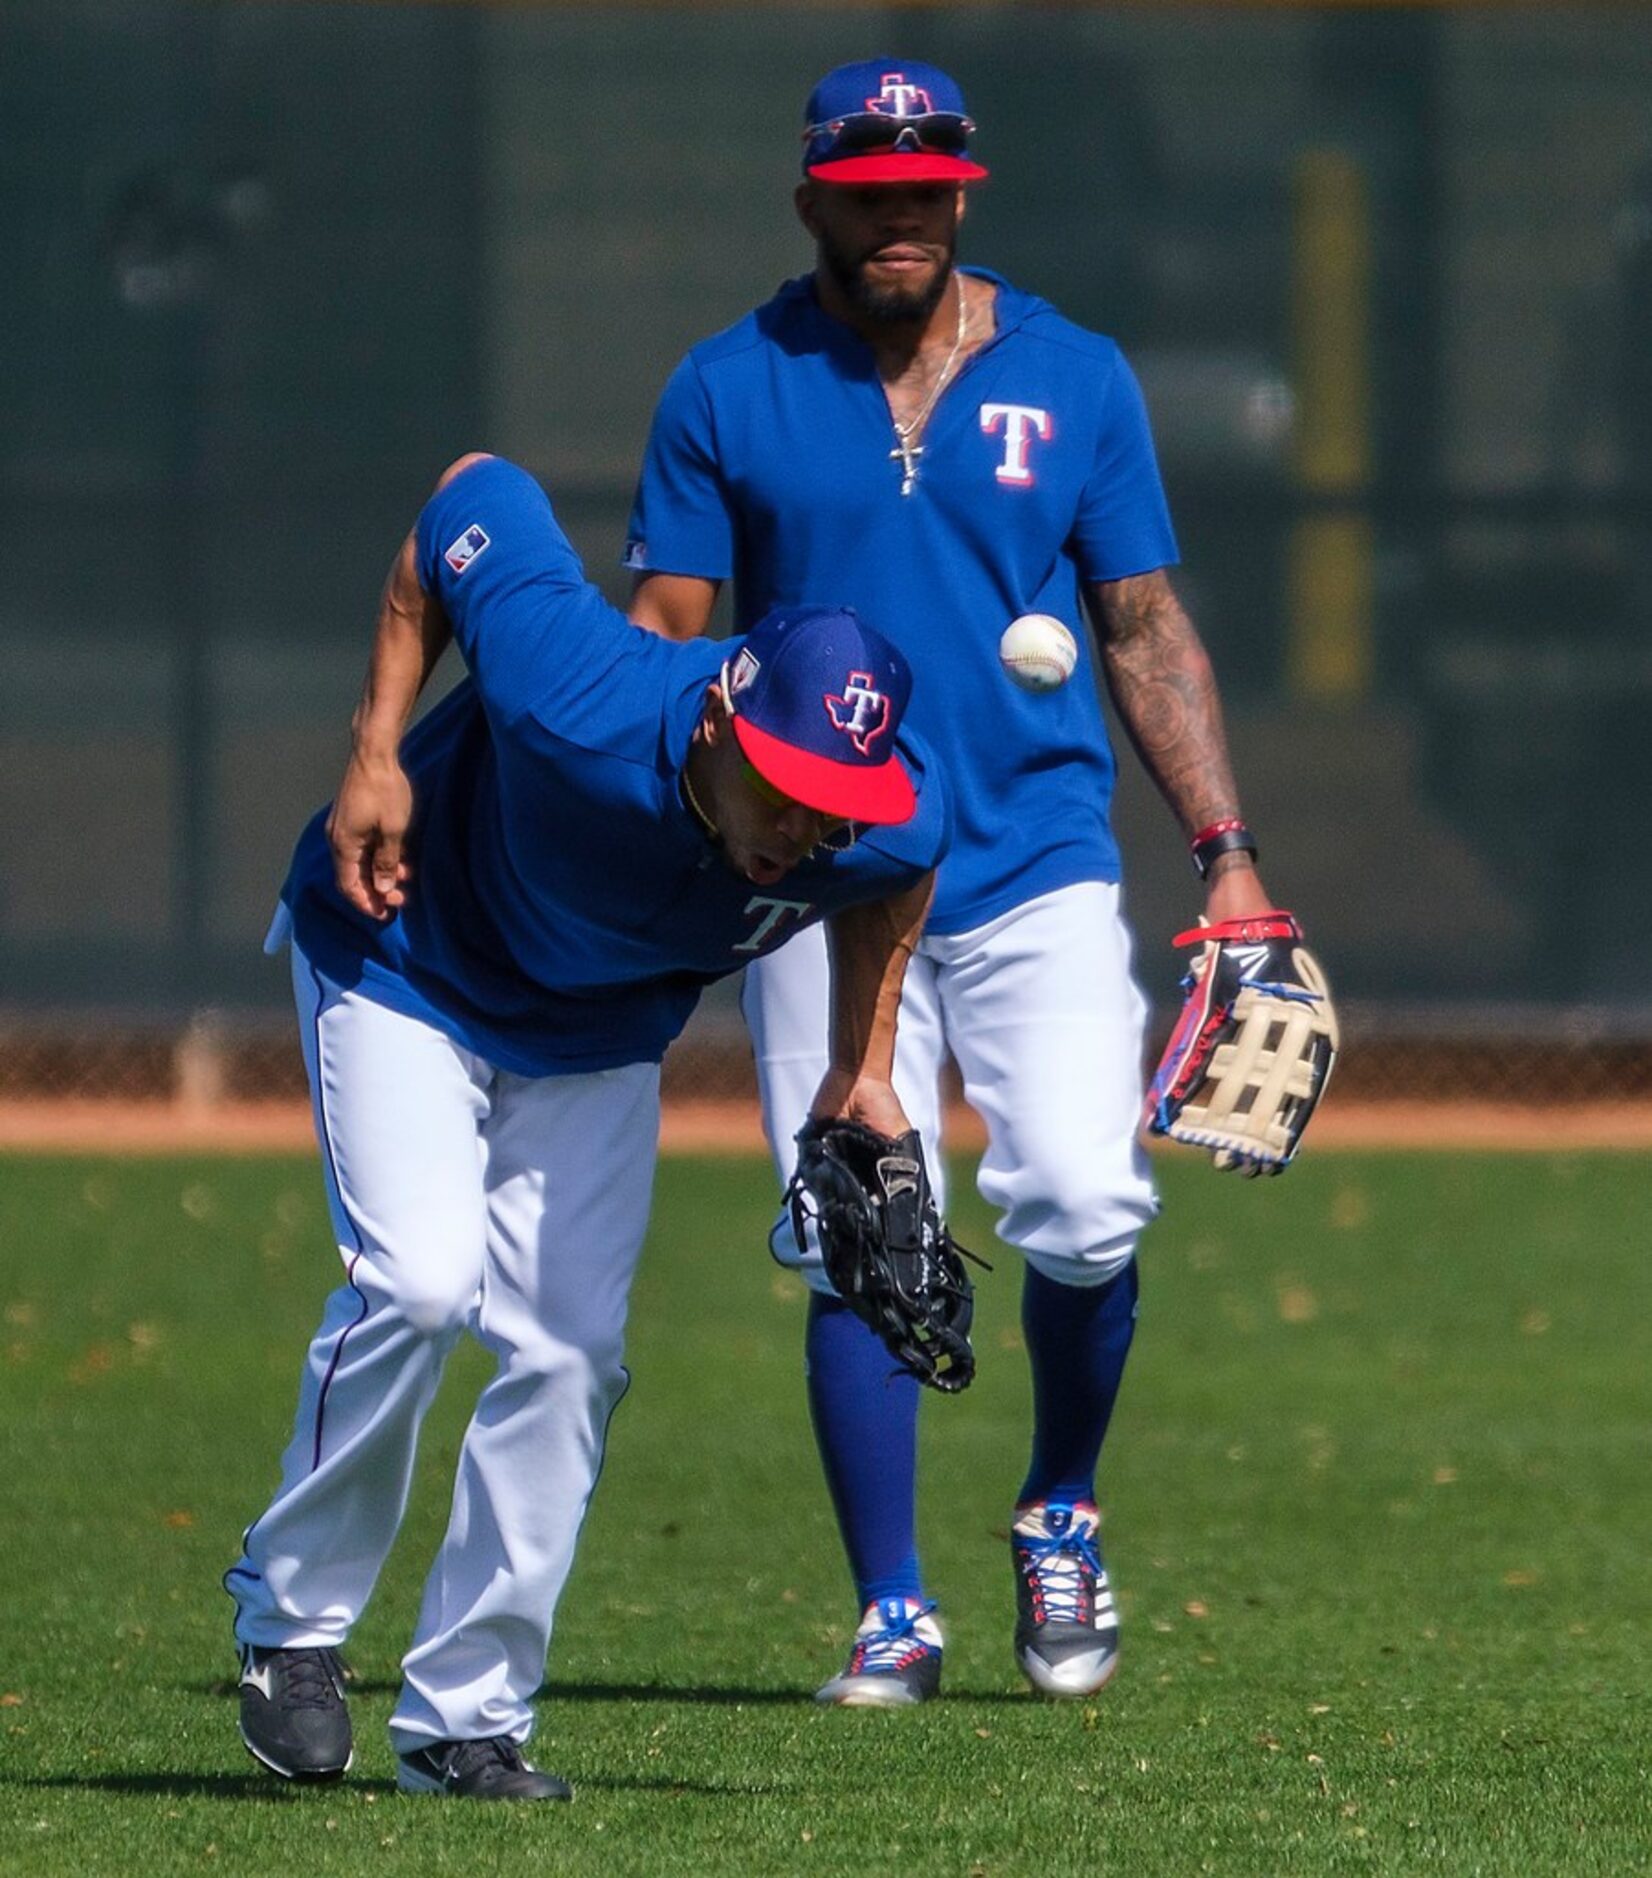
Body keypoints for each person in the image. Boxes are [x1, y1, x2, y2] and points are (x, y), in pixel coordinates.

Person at [625, 58, 1280, 1706]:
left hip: (1036, 857)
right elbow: (664, 643)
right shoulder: (730, 385)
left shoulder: (1078, 377)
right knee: (853, 1214)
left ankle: (1060, 1501)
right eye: (867, 184)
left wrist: (1231, 860)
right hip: (821, 879)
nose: (899, 208)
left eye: (927, 184)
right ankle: (891, 1607)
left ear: (964, 194)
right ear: (813, 200)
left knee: (1082, 1199)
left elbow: (1138, 627)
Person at [224, 452, 949, 1797]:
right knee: (422, 1281)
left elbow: (900, 871)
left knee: (568, 1356)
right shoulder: (581, 689)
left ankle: (464, 1718)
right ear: (725, 721)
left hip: (599, 1029)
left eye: (835, 803)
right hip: (406, 956)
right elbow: (461, 498)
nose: (806, 827)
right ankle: (292, 1625)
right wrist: (376, 743)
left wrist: (867, 1065)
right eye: (787, 784)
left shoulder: (879, 817)